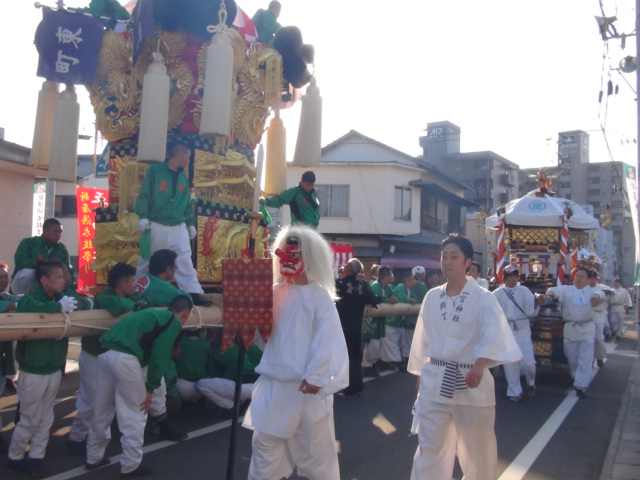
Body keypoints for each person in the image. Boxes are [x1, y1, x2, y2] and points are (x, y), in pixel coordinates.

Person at [408, 234, 521, 480]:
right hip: (435, 379)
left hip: (471, 381)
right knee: (430, 447)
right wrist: (421, 372)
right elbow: (423, 338)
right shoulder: (431, 296)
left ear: (468, 262)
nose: (447, 262)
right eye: (444, 256)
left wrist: (481, 363)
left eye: (454, 257)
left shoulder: (483, 297)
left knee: (476, 451)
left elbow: (494, 333)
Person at [243, 225, 348, 480]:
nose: (290, 258)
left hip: (306, 391)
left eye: (297, 253)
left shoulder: (320, 298)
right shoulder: (272, 294)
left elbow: (329, 340)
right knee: (264, 449)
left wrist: (315, 376)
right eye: (287, 252)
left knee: (315, 458)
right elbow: (261, 339)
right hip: (273, 388)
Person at [85, 295, 194, 477]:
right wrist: (150, 389)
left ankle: (93, 457)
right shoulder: (171, 321)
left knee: (102, 409)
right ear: (185, 314)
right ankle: (131, 465)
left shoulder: (152, 315)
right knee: (135, 411)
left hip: (104, 354)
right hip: (125, 357)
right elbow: (160, 358)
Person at [7, 261, 78, 478]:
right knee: (29, 418)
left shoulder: (61, 298)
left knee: (46, 417)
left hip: (53, 369)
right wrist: (58, 307)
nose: (63, 280)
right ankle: (15, 456)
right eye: (58, 277)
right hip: (33, 371)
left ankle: (37, 457)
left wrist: (69, 303)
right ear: (43, 280)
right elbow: (29, 308)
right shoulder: (31, 299)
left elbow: (82, 304)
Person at [67, 263, 141, 455]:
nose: (135, 285)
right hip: (93, 355)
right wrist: (134, 305)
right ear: (122, 283)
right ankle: (76, 437)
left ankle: (96, 440)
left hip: (109, 356)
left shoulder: (128, 296)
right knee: (90, 400)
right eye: (132, 281)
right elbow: (118, 307)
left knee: (107, 401)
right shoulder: (105, 297)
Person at [134, 143, 204, 302]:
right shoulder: (155, 171)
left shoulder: (182, 177)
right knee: (147, 260)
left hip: (178, 227)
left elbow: (186, 203)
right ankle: (136, 293)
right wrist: (143, 216)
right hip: (155, 224)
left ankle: (195, 294)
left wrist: (190, 222)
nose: (188, 161)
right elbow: (144, 194)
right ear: (179, 155)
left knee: (184, 260)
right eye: (187, 157)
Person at [133, 249, 190, 442]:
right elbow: (184, 299)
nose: (174, 270)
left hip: (123, 345)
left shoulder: (139, 280)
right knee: (156, 388)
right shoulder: (163, 288)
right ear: (167, 268)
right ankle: (151, 429)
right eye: (173, 267)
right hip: (144, 345)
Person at [537, 267, 606, 397]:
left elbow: (600, 294)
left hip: (587, 328)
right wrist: (550, 294)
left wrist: (596, 298)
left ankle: (581, 386)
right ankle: (576, 377)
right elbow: (553, 290)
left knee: (585, 359)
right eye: (577, 275)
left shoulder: (593, 290)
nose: (579, 278)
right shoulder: (566, 289)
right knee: (572, 359)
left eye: (582, 276)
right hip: (570, 329)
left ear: (587, 280)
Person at [493, 265, 538, 401]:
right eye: (509, 276)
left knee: (528, 363)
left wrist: (538, 300)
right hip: (507, 330)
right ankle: (514, 391)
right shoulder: (497, 293)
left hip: (523, 329)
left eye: (515, 276)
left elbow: (532, 307)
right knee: (510, 363)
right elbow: (491, 310)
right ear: (504, 278)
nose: (512, 279)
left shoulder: (524, 291)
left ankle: (531, 383)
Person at [335, 258, 379, 397]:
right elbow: (374, 300)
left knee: (342, 358)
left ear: (348, 268)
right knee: (355, 357)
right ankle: (357, 386)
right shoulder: (362, 285)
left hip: (341, 328)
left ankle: (345, 387)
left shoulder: (339, 284)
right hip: (356, 327)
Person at [11, 218, 73, 294]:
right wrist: (39, 263)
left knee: (58, 275)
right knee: (29, 273)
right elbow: (19, 263)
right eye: (56, 232)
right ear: (45, 232)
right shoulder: (28, 243)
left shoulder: (61, 249)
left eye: (60, 232)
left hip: (49, 285)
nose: (59, 235)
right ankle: (23, 296)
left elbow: (68, 270)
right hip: (23, 286)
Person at [365, 266, 397, 374]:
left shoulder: (388, 288)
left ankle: (372, 365)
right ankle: (367, 366)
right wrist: (388, 300)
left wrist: (393, 299)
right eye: (391, 275)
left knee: (377, 345)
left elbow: (393, 296)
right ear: (386, 276)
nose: (392, 277)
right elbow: (374, 299)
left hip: (380, 320)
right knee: (372, 345)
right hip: (371, 321)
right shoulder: (375, 285)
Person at [0, 262, 17, 454]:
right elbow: (12, 305)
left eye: (5, 277)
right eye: (0, 277)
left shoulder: (6, 296)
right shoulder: (7, 301)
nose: (4, 280)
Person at [393, 272, 419, 371]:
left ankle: (403, 361)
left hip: (402, 321)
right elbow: (402, 298)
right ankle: (399, 362)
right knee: (395, 343)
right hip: (394, 319)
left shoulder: (411, 290)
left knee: (401, 342)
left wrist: (412, 299)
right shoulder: (401, 287)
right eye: (412, 279)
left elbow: (416, 300)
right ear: (407, 281)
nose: (414, 281)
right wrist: (410, 300)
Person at [587, 270, 611, 367]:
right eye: (590, 279)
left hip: (599, 315)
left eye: (593, 279)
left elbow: (609, 295)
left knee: (598, 338)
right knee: (588, 340)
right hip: (588, 315)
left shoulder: (603, 288)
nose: (592, 281)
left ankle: (600, 357)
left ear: (596, 279)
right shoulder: (585, 288)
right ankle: (590, 359)